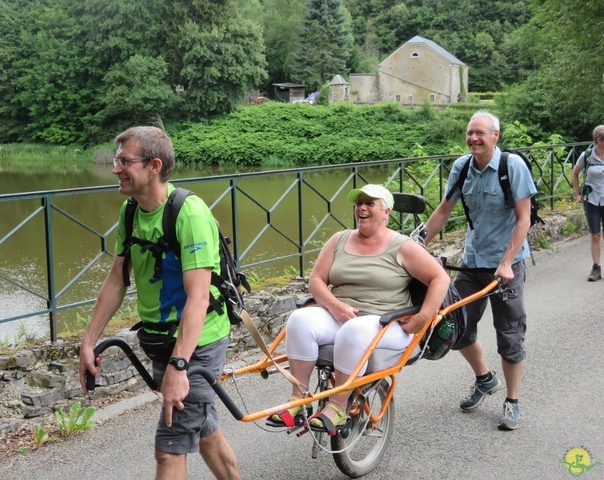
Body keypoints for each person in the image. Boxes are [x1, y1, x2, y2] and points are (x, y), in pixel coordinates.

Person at [78, 126, 240, 480]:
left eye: (124, 161)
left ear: (154, 165)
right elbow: (117, 278)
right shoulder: (131, 210)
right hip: (159, 339)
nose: (115, 168)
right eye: (116, 160)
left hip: (198, 342)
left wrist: (180, 366)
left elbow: (198, 297)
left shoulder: (190, 214)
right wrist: (88, 341)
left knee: (168, 450)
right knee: (204, 430)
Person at [269, 184, 450, 434]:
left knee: (354, 330)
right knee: (298, 319)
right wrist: (336, 306)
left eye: (369, 203)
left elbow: (440, 279)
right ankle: (297, 401)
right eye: (358, 204)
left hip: (387, 322)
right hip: (342, 316)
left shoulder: (403, 246)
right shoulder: (339, 239)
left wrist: (422, 318)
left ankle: (338, 407)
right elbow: (316, 280)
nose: (361, 208)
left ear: (386, 211)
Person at [423, 111, 537, 431]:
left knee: (509, 334)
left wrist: (506, 262)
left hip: (506, 266)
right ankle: (485, 379)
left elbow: (523, 219)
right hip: (472, 263)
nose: (473, 138)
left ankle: (512, 401)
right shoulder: (462, 167)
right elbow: (444, 209)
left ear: (495, 135)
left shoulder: (511, 167)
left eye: (480, 133)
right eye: (470, 132)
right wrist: (415, 244)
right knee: (454, 328)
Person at [572, 125, 604, 281]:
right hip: (592, 200)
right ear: (599, 140)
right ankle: (596, 267)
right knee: (595, 235)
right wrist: (578, 194)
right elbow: (575, 173)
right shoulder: (587, 156)